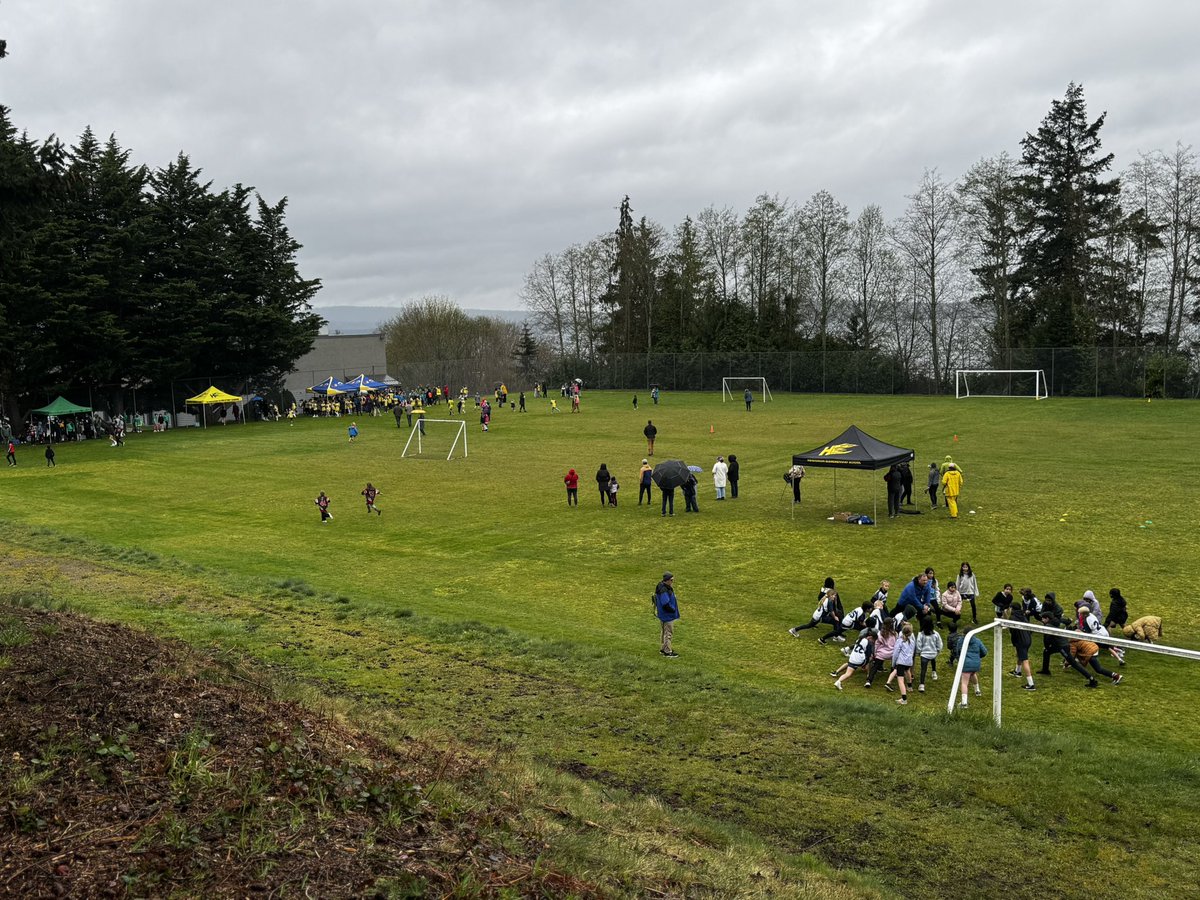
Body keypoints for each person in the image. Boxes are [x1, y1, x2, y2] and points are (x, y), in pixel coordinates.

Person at [955, 627, 987, 707]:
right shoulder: (978, 641)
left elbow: (957, 651)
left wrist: (959, 659)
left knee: (964, 683)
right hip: (976, 664)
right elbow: (984, 652)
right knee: (973, 674)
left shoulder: (961, 641)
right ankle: (977, 690)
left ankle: (964, 703)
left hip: (966, 664)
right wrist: (977, 657)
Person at [1007, 606, 1037, 690]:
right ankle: (1017, 671)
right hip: (1027, 639)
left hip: (1021, 641)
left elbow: (1013, 632)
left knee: (1024, 660)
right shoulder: (1023, 616)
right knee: (1020, 655)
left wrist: (1015, 643)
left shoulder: (1012, 618)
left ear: (1012, 609)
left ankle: (1031, 684)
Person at [863, 618, 897, 688]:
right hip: (892, 654)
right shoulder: (895, 634)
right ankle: (891, 678)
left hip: (881, 654)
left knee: (874, 667)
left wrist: (875, 653)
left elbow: (877, 644)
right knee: (894, 666)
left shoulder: (880, 633)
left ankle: (869, 681)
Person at [653, 572, 680, 657]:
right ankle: (668, 652)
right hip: (667, 615)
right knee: (668, 633)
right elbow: (665, 603)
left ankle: (663, 648)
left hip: (663, 615)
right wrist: (672, 610)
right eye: (671, 580)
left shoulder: (661, 587)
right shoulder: (664, 590)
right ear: (667, 580)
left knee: (664, 632)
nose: (672, 582)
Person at [915, 616, 943, 692]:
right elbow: (939, 644)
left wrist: (919, 652)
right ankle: (934, 672)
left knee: (923, 669)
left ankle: (922, 685)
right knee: (933, 661)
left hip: (924, 655)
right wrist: (938, 650)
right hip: (933, 653)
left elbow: (918, 645)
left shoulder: (921, 634)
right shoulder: (936, 634)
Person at [891, 622, 916, 704]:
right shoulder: (912, 641)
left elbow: (895, 653)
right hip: (909, 661)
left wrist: (893, 664)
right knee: (908, 671)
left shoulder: (900, 641)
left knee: (900, 680)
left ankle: (904, 699)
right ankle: (909, 686)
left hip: (901, 662)